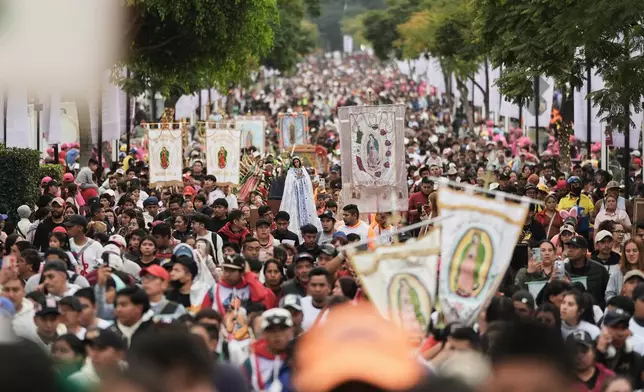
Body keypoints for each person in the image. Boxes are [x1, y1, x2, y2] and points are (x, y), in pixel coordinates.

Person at [242, 308, 295, 391]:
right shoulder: (251, 364)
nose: (277, 334)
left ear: (291, 330)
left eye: (282, 329)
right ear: (264, 333)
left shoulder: (301, 359)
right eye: (271, 330)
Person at [596, 309, 644, 389]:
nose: (620, 333)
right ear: (603, 329)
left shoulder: (635, 359)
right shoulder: (589, 352)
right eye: (615, 327)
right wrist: (599, 351)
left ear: (629, 331)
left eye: (624, 328)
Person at [280, 157, 322, 239]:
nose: (296, 163)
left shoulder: (303, 171)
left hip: (304, 196)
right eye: (295, 162)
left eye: (297, 162)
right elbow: (289, 186)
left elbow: (308, 183)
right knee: (296, 213)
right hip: (295, 196)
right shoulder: (291, 172)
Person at [564, 236, 610, 308]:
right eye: (569, 247)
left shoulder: (599, 269)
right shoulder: (563, 270)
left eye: (575, 247)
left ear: (584, 251)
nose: (570, 250)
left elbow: (607, 294)